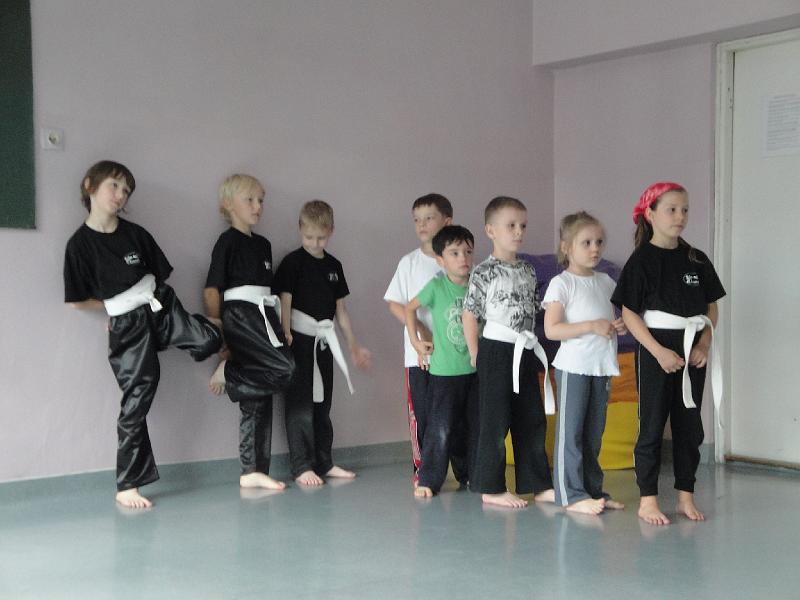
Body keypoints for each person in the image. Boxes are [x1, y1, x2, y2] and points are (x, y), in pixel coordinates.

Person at [63, 160, 222, 509]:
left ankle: (198, 336)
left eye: (126, 191)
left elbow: (160, 276)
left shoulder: (136, 234)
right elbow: (76, 301)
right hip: (127, 325)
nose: (120, 195)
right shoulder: (79, 246)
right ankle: (128, 484)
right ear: (90, 185)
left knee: (210, 339)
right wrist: (114, 309)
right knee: (138, 396)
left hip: (160, 306)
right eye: (114, 186)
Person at [612, 182, 725, 525]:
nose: (680, 216)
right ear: (650, 214)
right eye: (672, 209)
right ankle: (648, 500)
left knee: (689, 425)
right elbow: (629, 312)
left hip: (692, 350)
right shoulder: (641, 260)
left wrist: (704, 343)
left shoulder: (696, 258)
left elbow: (711, 307)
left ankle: (685, 496)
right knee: (651, 424)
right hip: (655, 350)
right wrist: (658, 351)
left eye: (685, 209)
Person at [204, 174, 296, 491]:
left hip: (265, 314)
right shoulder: (227, 242)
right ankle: (230, 371)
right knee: (285, 368)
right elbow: (212, 289)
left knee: (258, 396)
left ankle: (252, 469)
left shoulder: (263, 244)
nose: (258, 206)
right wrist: (219, 330)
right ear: (229, 204)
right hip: (241, 316)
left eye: (261, 200)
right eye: (250, 200)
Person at [462, 196, 556, 509]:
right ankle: (490, 486)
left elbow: (534, 309)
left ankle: (538, 483)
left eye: (522, 226)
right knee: (494, 419)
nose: (518, 232)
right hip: (495, 351)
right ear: (491, 230)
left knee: (531, 418)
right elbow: (469, 314)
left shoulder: (528, 269)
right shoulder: (484, 271)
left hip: (524, 349)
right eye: (511, 225)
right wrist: (475, 352)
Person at [274, 200, 371, 486]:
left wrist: (353, 344)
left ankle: (324, 461)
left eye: (321, 237)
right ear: (300, 229)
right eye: (309, 237)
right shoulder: (292, 263)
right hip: (298, 339)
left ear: (331, 232)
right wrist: (285, 332)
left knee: (323, 404)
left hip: (324, 342)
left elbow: (341, 311)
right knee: (299, 404)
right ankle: (301, 465)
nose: (315, 243)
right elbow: (285, 301)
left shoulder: (333, 266)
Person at [543, 211, 626, 515]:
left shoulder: (605, 282)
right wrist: (592, 326)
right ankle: (570, 494)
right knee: (571, 433)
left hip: (600, 367)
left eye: (599, 242)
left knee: (593, 434)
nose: (595, 249)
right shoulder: (561, 284)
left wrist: (615, 326)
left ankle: (593, 490)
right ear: (567, 247)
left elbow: (606, 320)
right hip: (574, 368)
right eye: (586, 242)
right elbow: (552, 329)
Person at [384, 194, 454, 486]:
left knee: (452, 414)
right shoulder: (409, 263)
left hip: (453, 358)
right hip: (419, 357)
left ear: (446, 221)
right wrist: (419, 330)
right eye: (417, 220)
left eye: (429, 218)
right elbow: (395, 303)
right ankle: (423, 469)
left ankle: (461, 469)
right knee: (422, 414)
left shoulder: (455, 261)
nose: (422, 225)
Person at [404, 225, 478, 497]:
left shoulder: (478, 286)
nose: (463, 258)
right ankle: (429, 480)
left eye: (468, 252)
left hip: (474, 372)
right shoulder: (437, 287)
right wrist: (416, 342)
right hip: (444, 373)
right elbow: (410, 308)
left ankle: (469, 475)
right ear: (441, 260)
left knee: (468, 427)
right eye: (455, 253)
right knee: (441, 428)